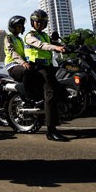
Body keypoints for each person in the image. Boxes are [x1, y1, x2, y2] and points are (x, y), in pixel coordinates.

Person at [23, 9, 69, 142]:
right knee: (51, 93)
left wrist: (66, 46)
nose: (40, 24)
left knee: (62, 84)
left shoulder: (44, 35)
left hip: (48, 66)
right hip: (37, 68)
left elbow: (53, 43)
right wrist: (56, 48)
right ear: (33, 22)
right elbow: (42, 45)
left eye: (43, 22)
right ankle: (51, 130)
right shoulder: (30, 36)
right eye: (37, 21)